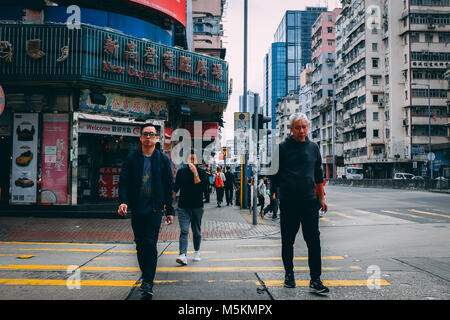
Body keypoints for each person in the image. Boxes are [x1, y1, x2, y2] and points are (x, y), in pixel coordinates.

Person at [270, 112, 329, 294]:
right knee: (288, 241)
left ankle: (315, 279)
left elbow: (318, 174)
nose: (301, 130)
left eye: (304, 127)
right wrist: (274, 194)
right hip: (289, 202)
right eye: (298, 127)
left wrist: (321, 198)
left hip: (310, 202)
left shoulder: (313, 148)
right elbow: (274, 174)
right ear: (291, 129)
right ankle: (289, 275)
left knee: (314, 241)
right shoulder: (281, 148)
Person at [118, 124, 174, 298]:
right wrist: (123, 202)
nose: (148, 137)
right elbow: (124, 182)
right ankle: (146, 276)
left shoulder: (163, 159)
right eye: (145, 134)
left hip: (155, 209)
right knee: (141, 245)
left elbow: (168, 185)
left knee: (150, 244)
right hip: (137, 209)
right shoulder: (132, 158)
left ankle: (148, 281)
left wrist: (170, 209)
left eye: (152, 134)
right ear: (140, 138)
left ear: (157, 138)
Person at [173, 151, 207, 265]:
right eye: (190, 159)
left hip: (197, 207)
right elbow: (175, 188)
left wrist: (195, 172)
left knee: (196, 232)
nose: (192, 161)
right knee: (184, 231)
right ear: (186, 160)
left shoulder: (202, 173)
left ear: (197, 161)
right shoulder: (181, 172)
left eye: (194, 159)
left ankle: (197, 251)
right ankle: (182, 255)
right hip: (183, 207)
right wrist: (168, 204)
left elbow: (202, 188)